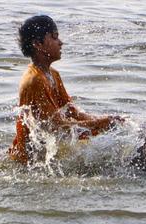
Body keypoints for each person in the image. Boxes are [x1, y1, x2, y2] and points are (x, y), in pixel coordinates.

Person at [8, 15, 124, 165]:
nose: (61, 43)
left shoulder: (53, 74)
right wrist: (101, 124)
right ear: (38, 44)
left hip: (44, 156)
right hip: (29, 163)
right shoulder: (34, 80)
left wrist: (106, 120)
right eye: (55, 37)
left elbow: (72, 113)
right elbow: (57, 128)